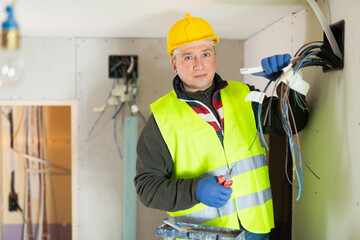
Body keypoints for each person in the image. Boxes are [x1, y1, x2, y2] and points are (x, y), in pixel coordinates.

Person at [134, 13, 308, 239]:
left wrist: (289, 80)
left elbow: (291, 122)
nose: (199, 64)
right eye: (188, 57)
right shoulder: (161, 118)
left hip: (255, 231)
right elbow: (147, 188)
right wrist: (195, 190)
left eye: (205, 54)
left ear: (214, 55)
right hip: (204, 235)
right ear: (174, 63)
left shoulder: (243, 95)